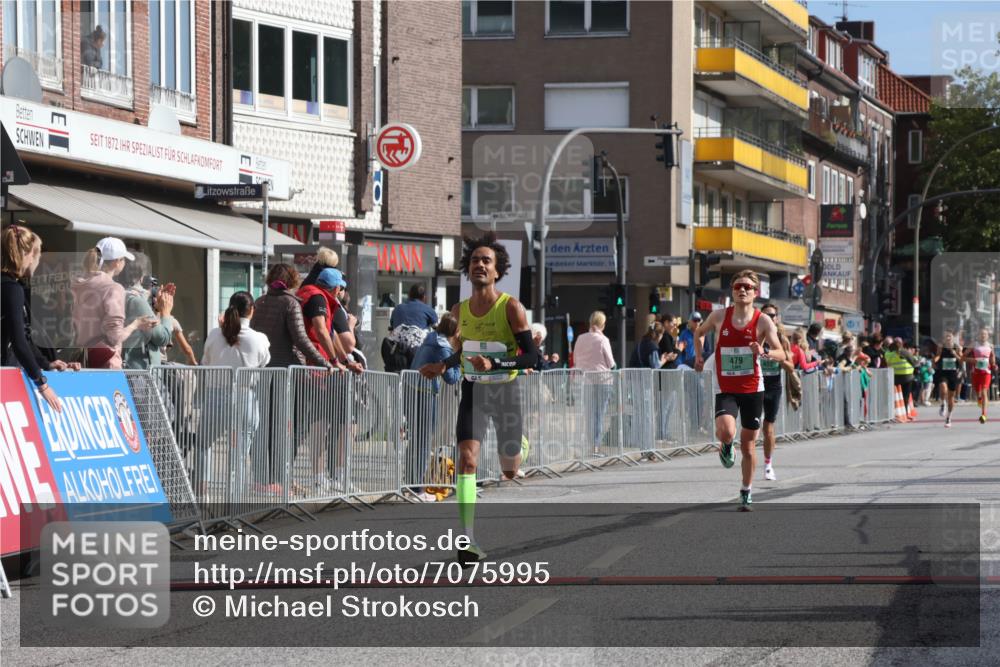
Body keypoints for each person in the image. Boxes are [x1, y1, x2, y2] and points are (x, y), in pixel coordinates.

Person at [419, 232, 539, 565]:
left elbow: (533, 359)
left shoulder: (511, 307)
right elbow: (465, 354)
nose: (480, 265)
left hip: (506, 391)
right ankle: (467, 540)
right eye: (475, 260)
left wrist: (497, 362)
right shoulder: (459, 310)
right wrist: (442, 365)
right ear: (467, 269)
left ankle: (520, 446)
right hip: (475, 390)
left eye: (487, 261)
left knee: (510, 468)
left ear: (498, 271)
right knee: (467, 460)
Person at [694, 270, 785, 511]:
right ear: (732, 292)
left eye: (747, 287)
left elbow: (781, 353)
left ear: (755, 293)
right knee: (725, 432)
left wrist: (763, 352)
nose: (742, 290)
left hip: (753, 387)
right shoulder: (719, 316)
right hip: (725, 385)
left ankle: (746, 490)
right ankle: (725, 444)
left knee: (747, 446)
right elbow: (699, 333)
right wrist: (699, 356)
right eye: (737, 287)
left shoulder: (763, 321)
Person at [250, 264, 332, 494]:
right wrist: (326, 363)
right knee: (289, 428)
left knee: (263, 427)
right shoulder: (290, 303)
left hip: (264, 371)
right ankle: (281, 478)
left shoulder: (261, 302)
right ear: (293, 280)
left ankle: (262, 479)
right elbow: (302, 340)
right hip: (286, 373)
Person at [1, 225, 79, 412]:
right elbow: (19, 342)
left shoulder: (12, 286)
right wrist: (42, 384)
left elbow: (24, 338)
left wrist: (46, 363)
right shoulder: (12, 289)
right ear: (27, 255)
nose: (38, 261)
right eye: (38, 255)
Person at [200, 291, 271, 495]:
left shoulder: (215, 334)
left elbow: (205, 362)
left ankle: (201, 494)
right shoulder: (259, 338)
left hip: (216, 395)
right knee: (239, 453)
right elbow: (264, 363)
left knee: (204, 445)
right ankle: (235, 501)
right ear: (251, 311)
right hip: (245, 396)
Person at [71, 237, 154, 369]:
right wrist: (135, 324)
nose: (124, 263)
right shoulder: (113, 288)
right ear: (116, 262)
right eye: (123, 259)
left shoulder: (80, 285)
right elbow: (115, 337)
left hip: (82, 362)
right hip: (106, 364)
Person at [405, 314, 461, 502]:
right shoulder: (443, 346)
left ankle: (410, 484)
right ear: (456, 331)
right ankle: (418, 488)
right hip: (425, 393)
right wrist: (459, 359)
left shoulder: (429, 338)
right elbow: (452, 378)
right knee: (423, 441)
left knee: (416, 440)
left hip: (412, 390)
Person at [118, 252, 176, 370]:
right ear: (142, 277)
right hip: (140, 372)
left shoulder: (122, 295)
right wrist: (166, 312)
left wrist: (156, 308)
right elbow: (161, 337)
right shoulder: (136, 301)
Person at [759, 303, 795, 482]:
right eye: (766, 315)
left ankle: (768, 465)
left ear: (777, 318)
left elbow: (790, 367)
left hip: (773, 385)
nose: (769, 318)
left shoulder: (782, 339)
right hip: (756, 383)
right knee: (752, 426)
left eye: (772, 315)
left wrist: (775, 356)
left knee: (768, 428)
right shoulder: (754, 335)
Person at [573, 310, 616, 455]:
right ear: (602, 324)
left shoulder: (580, 338)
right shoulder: (603, 340)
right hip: (603, 380)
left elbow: (575, 359)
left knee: (589, 413)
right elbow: (610, 363)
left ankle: (591, 444)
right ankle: (595, 446)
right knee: (599, 414)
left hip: (585, 379)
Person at [933, 330, 963, 428]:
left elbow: (961, 359)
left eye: (949, 336)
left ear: (953, 337)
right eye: (946, 336)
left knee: (951, 397)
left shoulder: (957, 347)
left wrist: (955, 354)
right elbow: (938, 356)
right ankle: (942, 404)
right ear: (944, 337)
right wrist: (935, 360)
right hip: (943, 372)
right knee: (943, 388)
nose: (948, 338)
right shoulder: (941, 346)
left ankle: (948, 418)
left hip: (953, 373)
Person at [884, 339, 919, 415]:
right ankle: (905, 412)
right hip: (907, 377)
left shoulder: (887, 353)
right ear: (901, 344)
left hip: (894, 377)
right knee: (905, 395)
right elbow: (914, 362)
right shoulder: (903, 352)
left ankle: (893, 413)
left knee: (895, 396)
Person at [970, 327, 996, 424]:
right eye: (981, 334)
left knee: (984, 391)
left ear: (987, 336)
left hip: (986, 373)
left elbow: (992, 357)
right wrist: (972, 360)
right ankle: (979, 398)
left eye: (985, 334)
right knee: (978, 391)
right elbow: (964, 356)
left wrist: (994, 365)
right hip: (976, 372)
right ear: (978, 335)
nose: (983, 335)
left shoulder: (990, 346)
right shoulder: (974, 345)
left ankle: (984, 415)